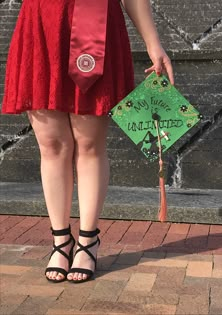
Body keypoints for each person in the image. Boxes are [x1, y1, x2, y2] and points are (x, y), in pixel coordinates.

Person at [1, 0, 174, 284]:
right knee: (51, 144)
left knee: (90, 144)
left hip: (95, 21)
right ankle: (60, 240)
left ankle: (88, 240)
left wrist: (153, 44)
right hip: (43, 24)